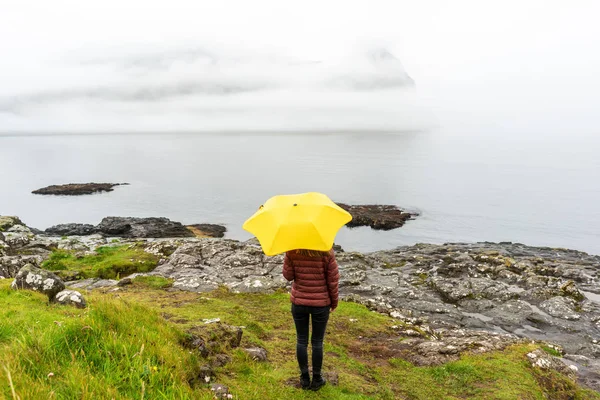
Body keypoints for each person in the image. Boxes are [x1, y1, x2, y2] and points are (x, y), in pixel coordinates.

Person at [282, 248, 340, 391]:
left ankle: (304, 378)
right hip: (320, 304)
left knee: (301, 340)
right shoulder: (326, 252)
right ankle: (317, 379)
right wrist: (334, 302)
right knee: (317, 342)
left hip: (299, 303)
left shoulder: (292, 251)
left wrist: (289, 257)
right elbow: (333, 281)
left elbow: (288, 276)